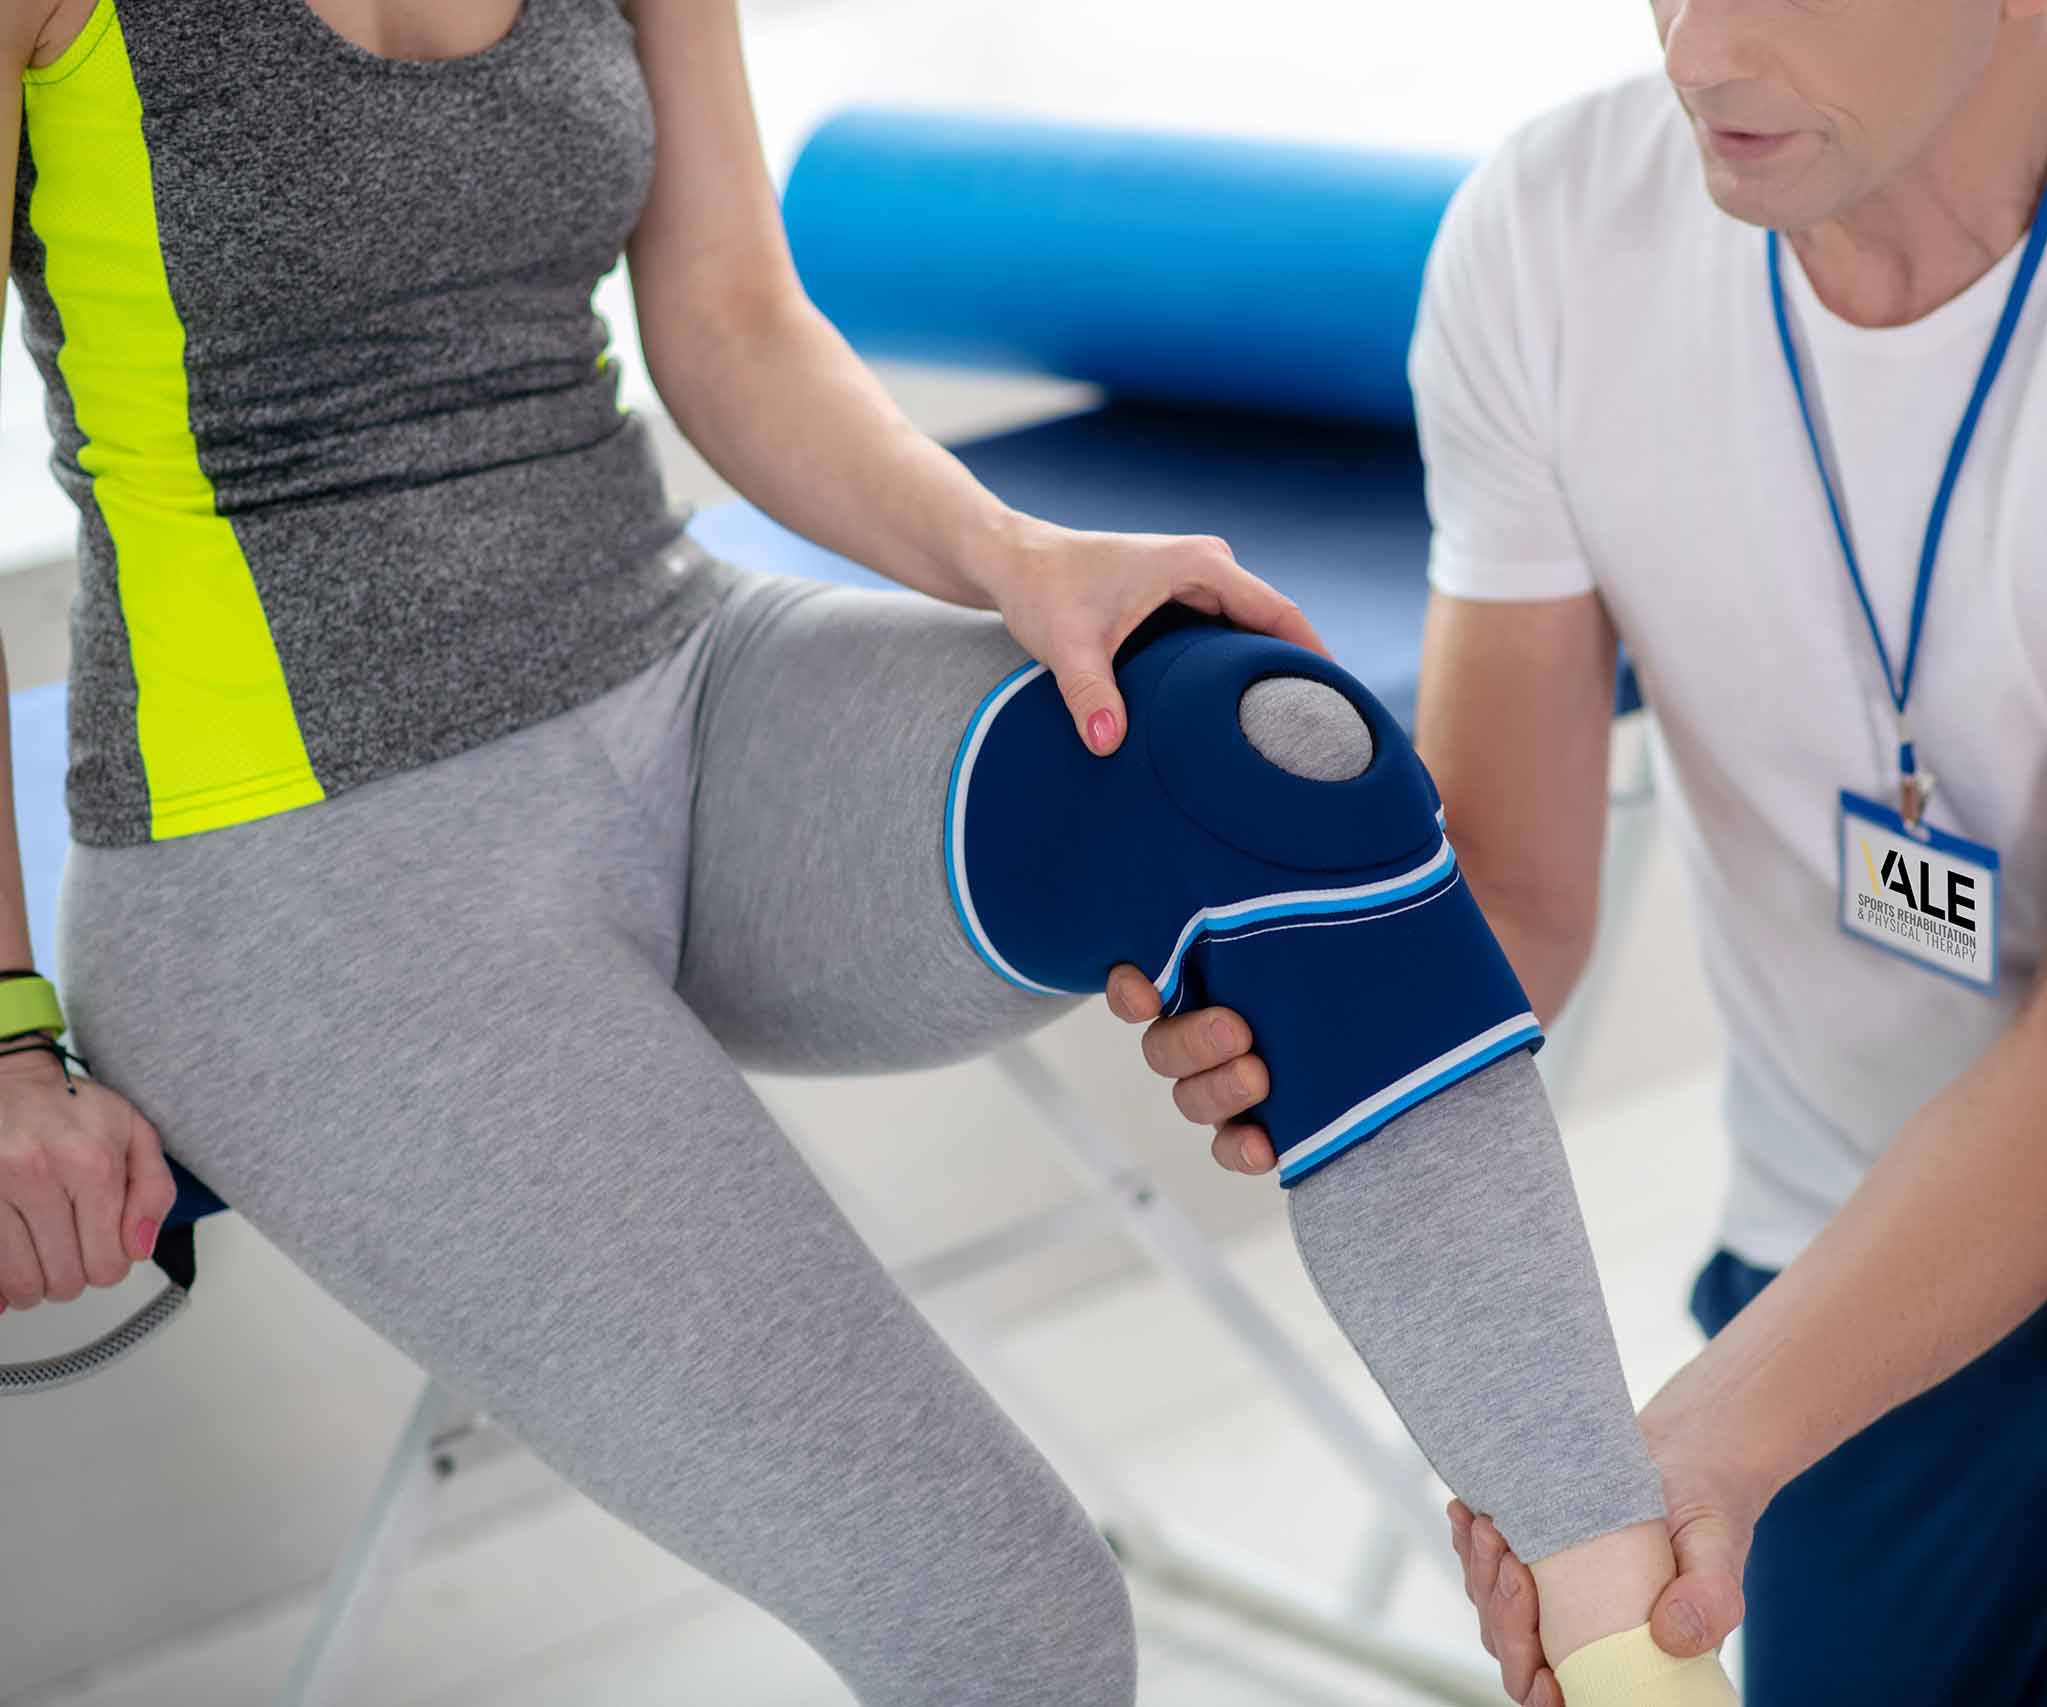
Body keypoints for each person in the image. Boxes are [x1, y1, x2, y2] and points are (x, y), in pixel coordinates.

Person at [0, 2, 1745, 1702]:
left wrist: (1015, 557)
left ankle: (1622, 1658)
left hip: (676, 681)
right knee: (1018, 1632)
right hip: (294, 864)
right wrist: (5, 1029)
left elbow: (735, 323)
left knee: (1266, 757)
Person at [1144, 0, 2047, 1701]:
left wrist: (1710, 1441)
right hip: (1864, 1174)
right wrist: (1327, 1022)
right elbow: (1508, 898)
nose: (1699, 53)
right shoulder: (1545, 241)